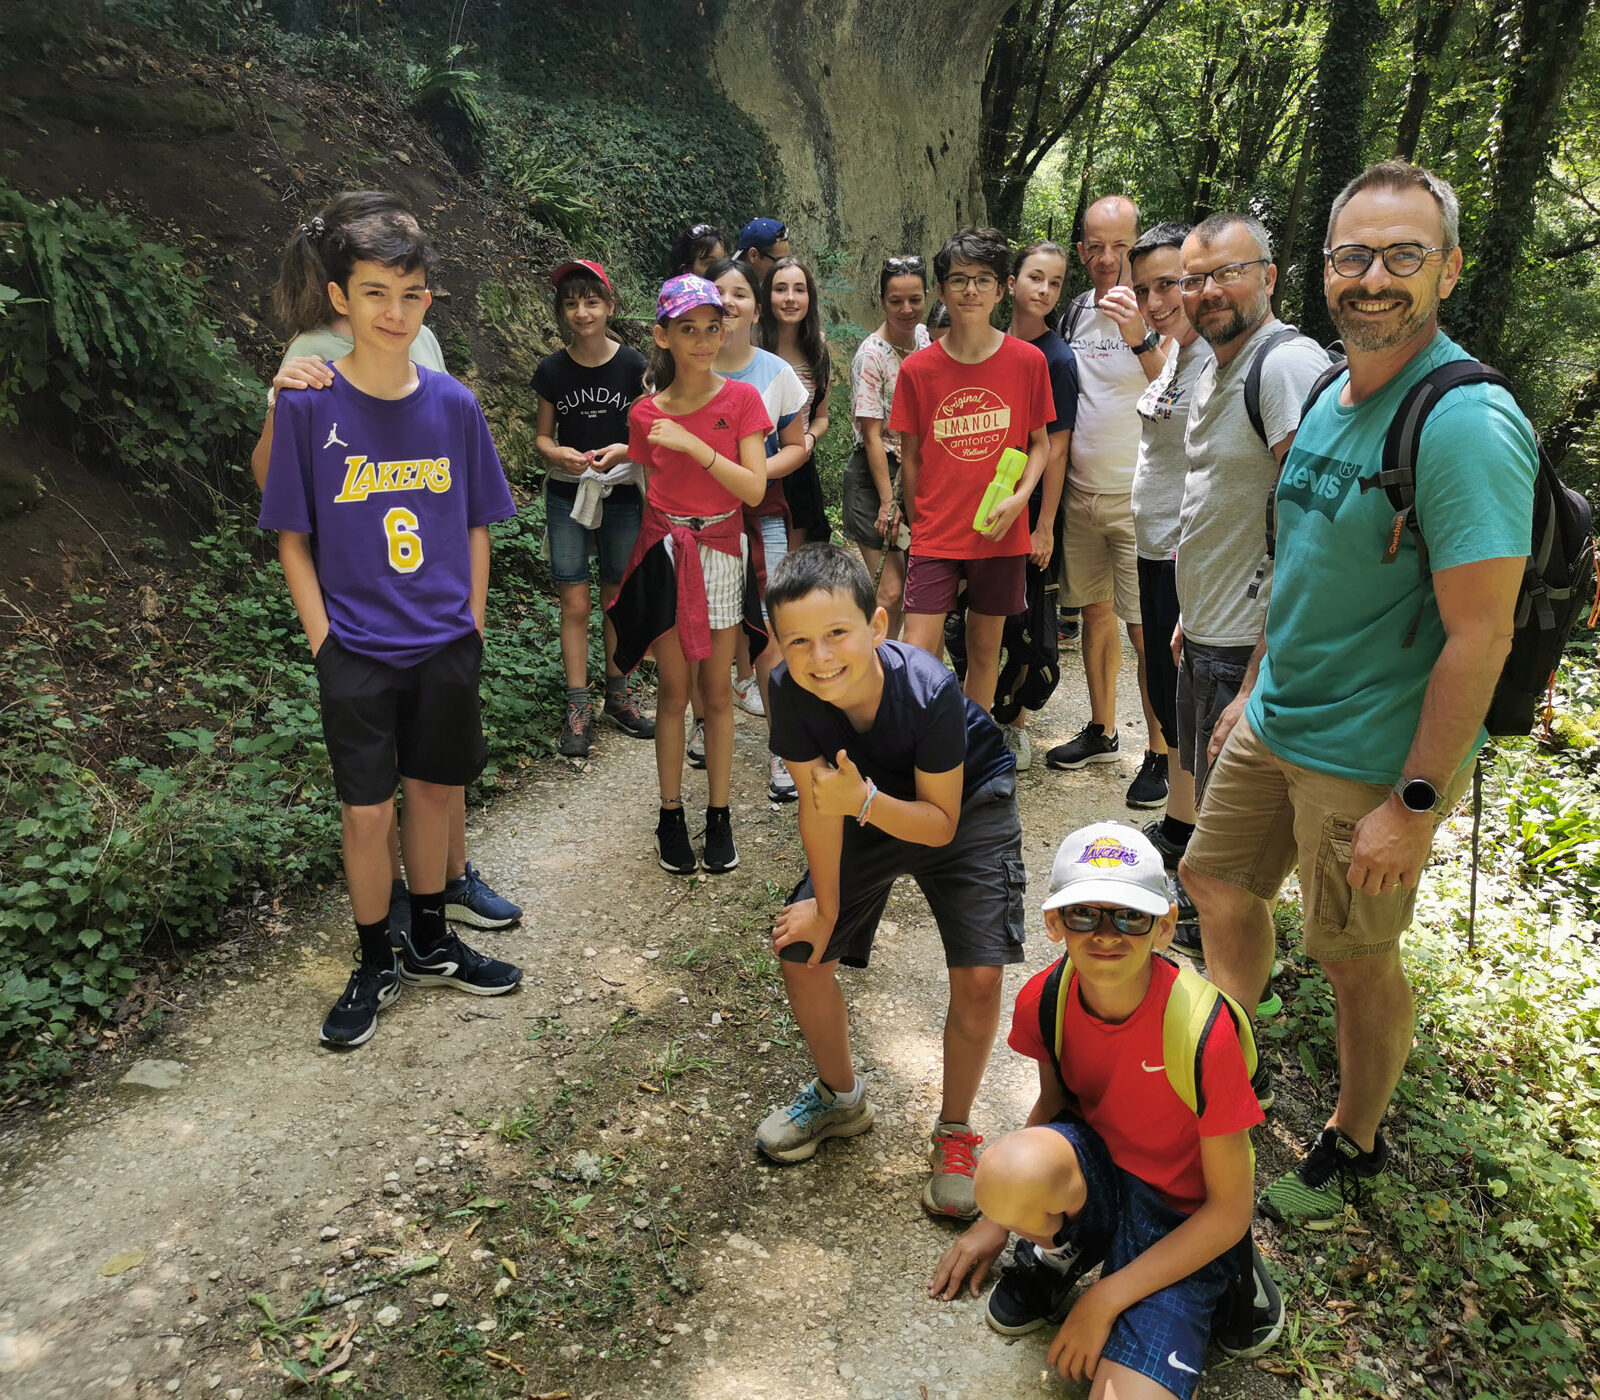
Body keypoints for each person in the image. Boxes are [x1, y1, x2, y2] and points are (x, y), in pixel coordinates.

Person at [1178, 161, 1536, 1225]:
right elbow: (1299, 558)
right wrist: (1251, 686)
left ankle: (1354, 1137)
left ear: (1448, 269)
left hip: (1370, 756)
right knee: (1215, 884)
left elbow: (1482, 632)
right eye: (1353, 255)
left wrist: (1413, 805)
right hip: (1278, 717)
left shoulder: (1465, 423)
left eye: (1402, 255)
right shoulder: (1329, 391)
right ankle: (1228, 1071)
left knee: (1353, 957)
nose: (1373, 277)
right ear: (1324, 268)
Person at [257, 199, 524, 1048]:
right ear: (340, 297)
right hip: (357, 650)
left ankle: (434, 941)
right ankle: (375, 959)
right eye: (374, 292)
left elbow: (477, 524)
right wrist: (325, 644)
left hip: (444, 640)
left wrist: (472, 624)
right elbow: (291, 537)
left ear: (427, 301)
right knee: (367, 813)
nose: (393, 311)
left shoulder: (454, 404)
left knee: (435, 792)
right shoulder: (309, 404)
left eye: (409, 295)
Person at [929, 823, 1279, 1398]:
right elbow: (1055, 1105)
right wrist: (997, 1219)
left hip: (1182, 1215)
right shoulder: (1046, 998)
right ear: (1053, 922)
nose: (1106, 935)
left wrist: (1103, 1298)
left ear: (1165, 925)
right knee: (1003, 1173)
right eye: (1084, 915)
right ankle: (1069, 1249)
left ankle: (1225, 1278)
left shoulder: (1204, 1032)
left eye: (1130, 917)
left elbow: (1229, 1210)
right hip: (1101, 1179)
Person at [759, 544, 1025, 1220]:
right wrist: (824, 909)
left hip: (964, 806)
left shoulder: (929, 689)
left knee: (981, 975)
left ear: (877, 626)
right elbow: (819, 806)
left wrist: (866, 802)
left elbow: (940, 824)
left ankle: (956, 1131)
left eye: (836, 633)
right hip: (860, 804)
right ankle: (839, 1099)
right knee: (803, 951)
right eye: (799, 641)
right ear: (777, 644)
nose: (820, 656)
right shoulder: (787, 690)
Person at [1169, 213, 1330, 968]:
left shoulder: (1285, 366)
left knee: (1227, 876)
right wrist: (1191, 610)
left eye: (1228, 272)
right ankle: (1230, 998)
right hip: (1209, 635)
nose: (1208, 291)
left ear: (1269, 275)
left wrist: (1256, 679)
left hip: (1247, 654)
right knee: (1215, 858)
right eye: (1194, 278)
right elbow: (1222, 500)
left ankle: (1235, 1016)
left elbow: (1314, 532)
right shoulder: (1213, 365)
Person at [607, 275, 770, 876]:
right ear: (663, 336)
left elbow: (753, 488)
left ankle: (719, 814)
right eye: (687, 329)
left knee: (718, 694)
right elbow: (652, 478)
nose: (702, 340)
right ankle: (670, 813)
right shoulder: (645, 413)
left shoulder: (742, 401)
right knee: (674, 693)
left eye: (711, 328)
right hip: (667, 552)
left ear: (725, 331)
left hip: (722, 548)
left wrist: (695, 446)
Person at [892, 227, 1053, 714]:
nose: (971, 290)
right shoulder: (917, 370)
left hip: (999, 532)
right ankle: (924, 748)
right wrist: (920, 524)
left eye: (983, 280)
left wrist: (1021, 498)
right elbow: (911, 458)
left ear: (1001, 289)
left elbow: (1041, 445)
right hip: (936, 532)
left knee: (984, 651)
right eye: (959, 280)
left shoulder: (1028, 361)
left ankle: (972, 749)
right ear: (941, 290)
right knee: (917, 653)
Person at [1047, 196, 1170, 814]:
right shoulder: (1074, 311)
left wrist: (1140, 335)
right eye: (1095, 246)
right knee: (1095, 614)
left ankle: (1161, 752)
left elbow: (1176, 391)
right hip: (1081, 492)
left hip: (1137, 496)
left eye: (1120, 246)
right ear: (1081, 250)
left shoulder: (1159, 309)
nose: (1106, 257)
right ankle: (1102, 729)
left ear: (1136, 245)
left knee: (1145, 630)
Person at [532, 259, 655, 758]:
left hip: (620, 493)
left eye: (591, 301)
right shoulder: (551, 370)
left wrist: (627, 450)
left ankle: (618, 695)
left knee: (615, 598)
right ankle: (578, 704)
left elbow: (651, 430)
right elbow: (543, 437)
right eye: (571, 303)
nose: (582, 312)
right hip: (568, 491)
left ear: (609, 305)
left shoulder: (634, 366)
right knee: (574, 603)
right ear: (562, 311)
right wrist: (556, 453)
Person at [1125, 223, 1212, 878]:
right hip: (1156, 548)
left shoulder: (1217, 359)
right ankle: (1181, 824)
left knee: (1195, 699)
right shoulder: (1180, 354)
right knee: (1168, 692)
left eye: (1168, 284)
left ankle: (1205, 849)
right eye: (1143, 289)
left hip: (1189, 555)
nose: (1155, 302)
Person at [706, 257, 810, 802]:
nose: (728, 303)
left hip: (761, 513)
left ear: (756, 307)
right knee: (705, 628)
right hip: (697, 520)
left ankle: (782, 745)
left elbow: (797, 445)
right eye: (718, 293)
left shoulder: (776, 373)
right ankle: (705, 721)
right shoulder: (681, 369)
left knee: (770, 628)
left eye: (740, 293)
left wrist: (751, 473)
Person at [997, 240, 1076, 769]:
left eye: (1055, 282)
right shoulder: (991, 345)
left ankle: (1016, 727)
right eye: (1034, 278)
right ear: (1011, 283)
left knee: (1027, 618)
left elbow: (1058, 447)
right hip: (987, 503)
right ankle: (982, 710)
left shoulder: (1058, 359)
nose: (1044, 290)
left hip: (1032, 509)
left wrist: (1044, 525)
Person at [843, 256, 930, 639]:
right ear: (881, 300)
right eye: (896, 301)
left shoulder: (924, 338)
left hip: (917, 470)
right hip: (876, 474)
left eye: (914, 299)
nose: (906, 309)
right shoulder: (871, 356)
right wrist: (887, 503)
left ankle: (901, 664)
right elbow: (872, 435)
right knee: (890, 591)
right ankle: (875, 665)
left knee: (920, 589)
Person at [757, 255, 832, 547]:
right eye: (780, 289)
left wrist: (810, 438)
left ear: (809, 298)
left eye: (799, 289)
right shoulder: (751, 348)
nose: (790, 298)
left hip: (799, 466)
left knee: (795, 561)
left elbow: (821, 417)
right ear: (766, 297)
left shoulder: (817, 352)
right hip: (757, 461)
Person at [736, 217, 790, 281]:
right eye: (779, 262)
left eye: (787, 261)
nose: (786, 269)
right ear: (753, 255)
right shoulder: (728, 284)